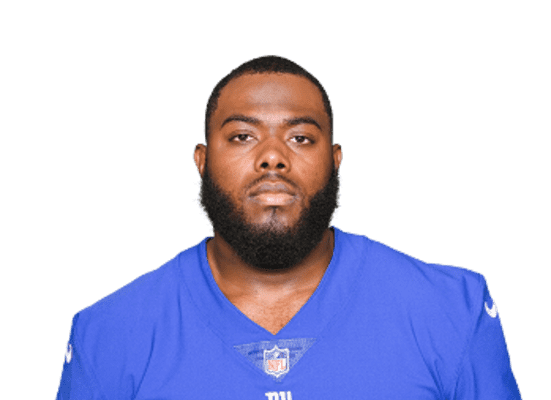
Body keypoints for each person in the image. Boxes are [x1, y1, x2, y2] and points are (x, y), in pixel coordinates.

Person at [55, 55, 522, 399]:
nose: (273, 157)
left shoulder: (451, 309)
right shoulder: (109, 333)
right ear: (202, 161)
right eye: (242, 136)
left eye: (300, 137)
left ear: (335, 160)